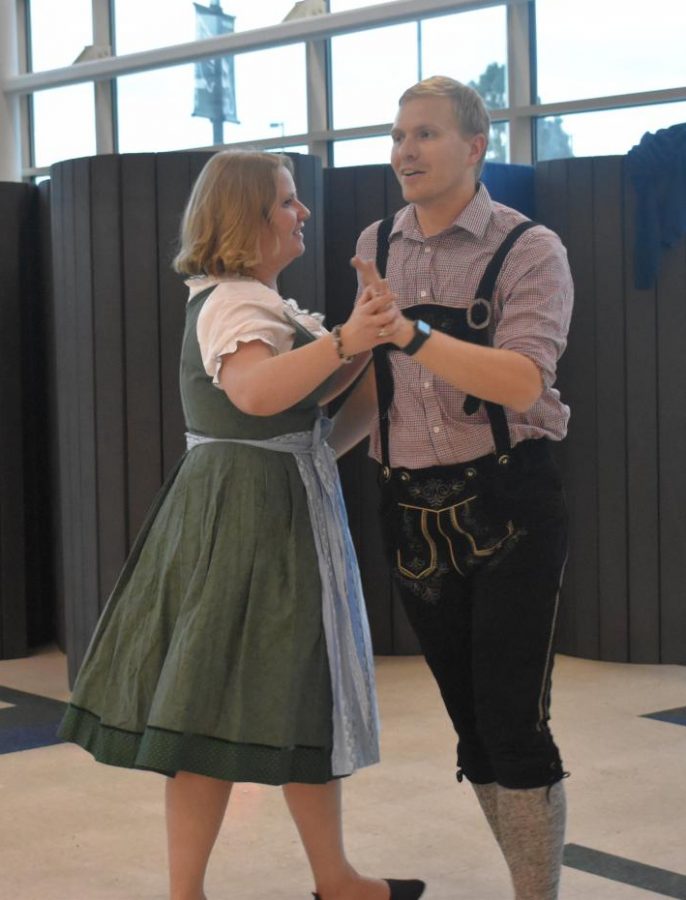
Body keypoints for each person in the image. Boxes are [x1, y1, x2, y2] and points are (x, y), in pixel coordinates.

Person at [58, 150, 426, 900]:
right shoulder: (234, 302)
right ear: (248, 219)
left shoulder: (255, 302)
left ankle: (333, 878)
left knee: (286, 696)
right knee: (217, 704)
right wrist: (353, 341)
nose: (303, 213)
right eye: (288, 201)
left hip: (272, 506)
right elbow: (257, 394)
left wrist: (369, 339)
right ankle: (199, 891)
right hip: (248, 518)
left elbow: (309, 406)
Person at [333, 76, 574, 899]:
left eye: (427, 134)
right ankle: (525, 878)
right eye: (399, 134)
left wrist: (409, 330)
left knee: (515, 721)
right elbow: (380, 381)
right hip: (407, 511)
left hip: (511, 503)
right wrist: (309, 452)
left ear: (476, 147)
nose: (405, 149)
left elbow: (518, 381)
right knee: (472, 731)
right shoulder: (378, 239)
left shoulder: (530, 247)